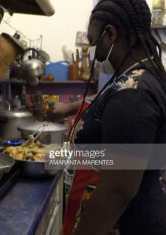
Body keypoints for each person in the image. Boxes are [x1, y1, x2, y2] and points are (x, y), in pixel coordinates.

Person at [48, 0, 166, 234]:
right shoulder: (141, 76)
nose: (91, 52)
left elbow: (116, 192)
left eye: (92, 42)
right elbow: (117, 154)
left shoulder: (133, 94)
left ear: (110, 34)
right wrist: (53, 158)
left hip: (135, 225)